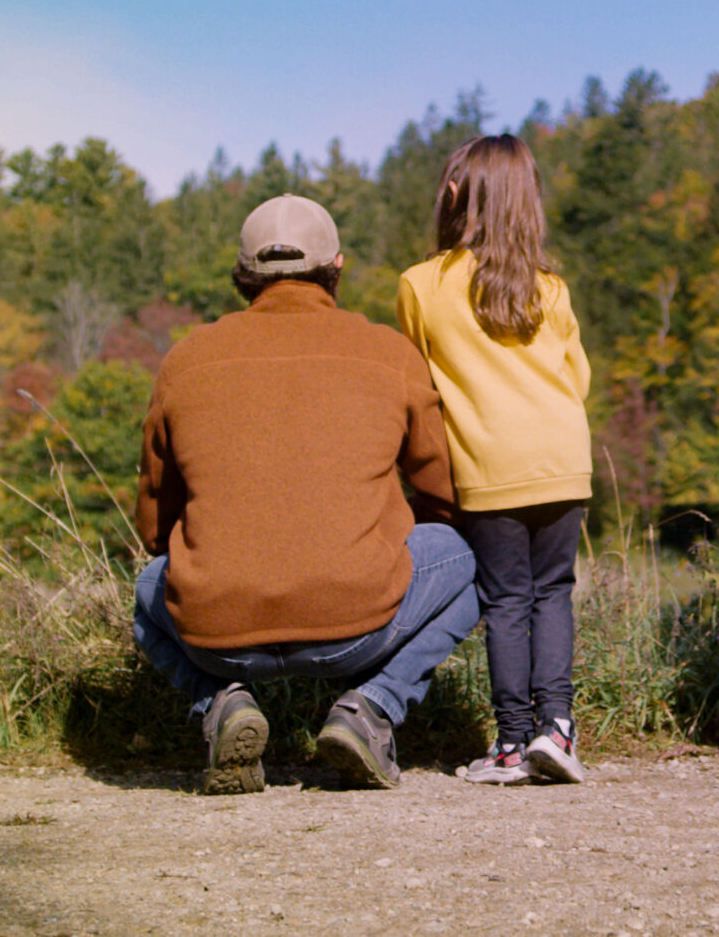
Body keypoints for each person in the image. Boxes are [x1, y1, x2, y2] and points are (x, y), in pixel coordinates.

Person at [130, 194, 479, 794]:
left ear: (244, 274)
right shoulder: (388, 352)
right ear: (336, 266)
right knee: (467, 560)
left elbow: (154, 523)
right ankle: (371, 708)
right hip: (359, 623)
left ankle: (221, 706)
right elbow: (440, 494)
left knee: (147, 586)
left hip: (218, 638)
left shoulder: (184, 360)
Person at [397, 134, 595, 785]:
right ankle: (557, 732)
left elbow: (416, 384)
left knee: (507, 600)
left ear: (455, 195)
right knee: (554, 593)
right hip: (564, 458)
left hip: (487, 465)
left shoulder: (421, 286)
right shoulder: (551, 288)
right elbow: (580, 379)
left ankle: (511, 745)